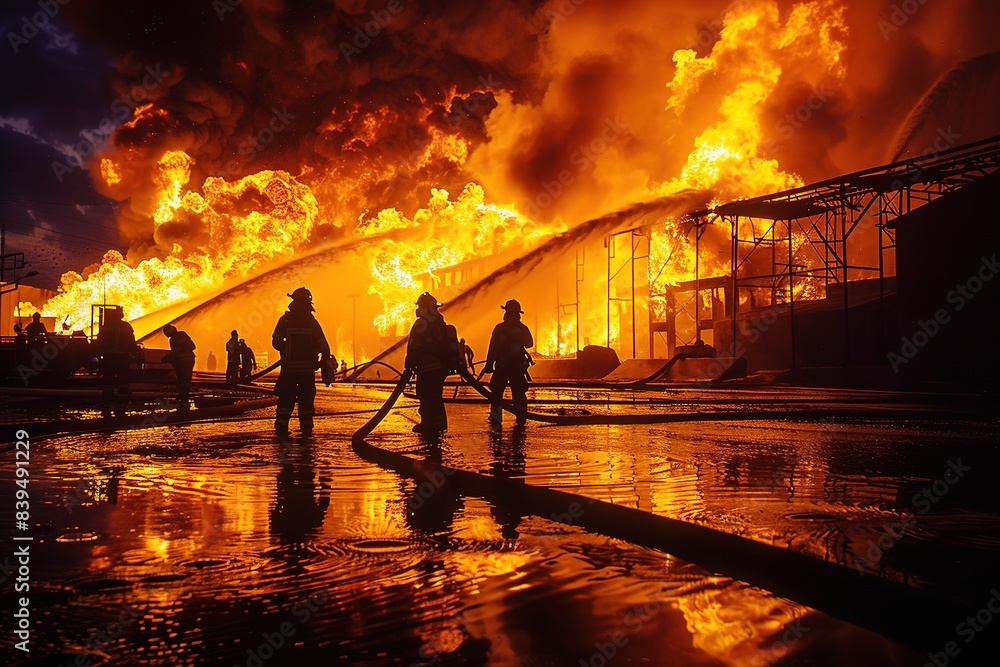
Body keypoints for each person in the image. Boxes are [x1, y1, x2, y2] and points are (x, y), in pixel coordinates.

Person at [271, 287, 333, 436]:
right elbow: (323, 345)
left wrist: (286, 348)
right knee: (306, 399)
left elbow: (276, 342)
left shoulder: (285, 320)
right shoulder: (312, 323)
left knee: (286, 397)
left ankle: (281, 426)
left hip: (289, 370)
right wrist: (324, 360)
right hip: (307, 371)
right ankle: (306, 428)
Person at [404, 292, 455, 435]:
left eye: (420, 305)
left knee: (425, 395)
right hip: (440, 368)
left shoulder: (421, 323)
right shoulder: (440, 324)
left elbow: (414, 345)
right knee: (435, 396)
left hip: (426, 367)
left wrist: (410, 363)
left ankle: (428, 424)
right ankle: (439, 424)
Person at [484, 299, 534, 425]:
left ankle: (496, 420)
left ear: (505, 312)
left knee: (496, 394)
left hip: (502, 366)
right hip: (517, 367)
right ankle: (521, 420)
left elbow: (493, 347)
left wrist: (489, 365)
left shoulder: (499, 328)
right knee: (519, 394)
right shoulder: (522, 328)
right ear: (518, 313)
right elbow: (529, 344)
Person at [94, 308, 136, 416]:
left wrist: (97, 356)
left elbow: (98, 343)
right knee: (123, 381)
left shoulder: (105, 328)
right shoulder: (125, 326)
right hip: (122, 358)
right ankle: (122, 403)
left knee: (108, 380)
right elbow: (131, 340)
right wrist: (134, 351)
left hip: (108, 359)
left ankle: (107, 402)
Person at [162, 323, 196, 408]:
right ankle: (184, 397)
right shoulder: (182, 334)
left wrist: (168, 358)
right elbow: (192, 346)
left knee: (182, 380)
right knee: (186, 379)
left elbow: (176, 352)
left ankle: (183, 398)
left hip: (183, 361)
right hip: (190, 359)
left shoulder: (173, 339)